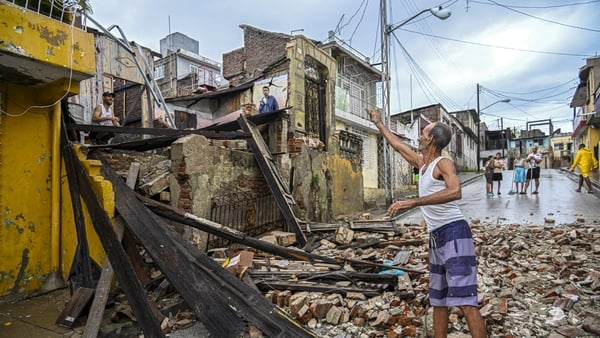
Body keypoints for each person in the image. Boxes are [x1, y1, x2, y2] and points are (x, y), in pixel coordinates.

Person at [366, 108, 487, 338]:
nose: (420, 135)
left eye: (423, 132)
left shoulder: (444, 163)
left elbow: (455, 191)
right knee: (439, 299)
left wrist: (413, 203)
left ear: (431, 139)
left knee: (465, 300)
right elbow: (397, 146)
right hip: (436, 237)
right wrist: (379, 123)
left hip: (455, 234)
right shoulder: (423, 164)